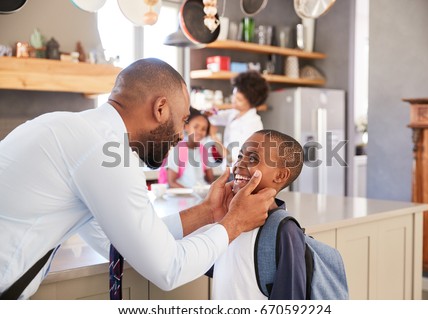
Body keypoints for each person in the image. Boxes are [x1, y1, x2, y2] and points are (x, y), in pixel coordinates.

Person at [0, 58, 276, 299]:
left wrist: (208, 212)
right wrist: (234, 223)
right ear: (160, 109)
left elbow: (120, 241)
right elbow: (170, 268)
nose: (183, 135)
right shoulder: (104, 151)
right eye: (182, 121)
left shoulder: (66, 127)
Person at [207, 129, 306, 299]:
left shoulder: (285, 231)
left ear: (280, 175)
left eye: (253, 158)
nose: (239, 165)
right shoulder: (227, 216)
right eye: (240, 156)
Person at [207, 70, 269, 168]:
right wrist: (208, 112)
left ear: (251, 102)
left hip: (239, 172)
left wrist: (214, 136)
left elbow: (231, 157)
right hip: (228, 170)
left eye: (239, 99)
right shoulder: (234, 113)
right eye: (234, 95)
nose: (233, 100)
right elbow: (214, 117)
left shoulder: (252, 125)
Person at [158, 107, 214, 188]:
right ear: (186, 127)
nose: (199, 132)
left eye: (203, 129)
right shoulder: (177, 150)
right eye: (196, 127)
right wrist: (192, 194)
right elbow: (171, 182)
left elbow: (211, 179)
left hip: (201, 195)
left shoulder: (204, 150)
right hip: (184, 196)